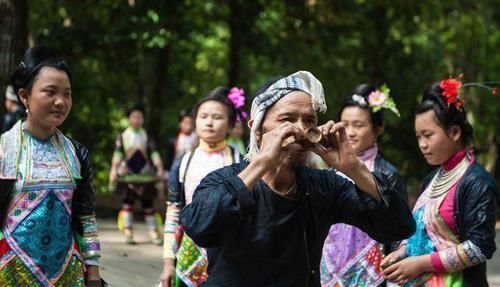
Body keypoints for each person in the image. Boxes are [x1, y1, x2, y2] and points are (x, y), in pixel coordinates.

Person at [180, 71, 416, 286]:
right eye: (287, 119)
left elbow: (398, 227)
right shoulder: (222, 180)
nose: (300, 129)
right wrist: (263, 162)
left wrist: (353, 167)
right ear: (257, 128)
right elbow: (200, 226)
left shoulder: (323, 186)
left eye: (309, 121)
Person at [0, 46, 103, 286]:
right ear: (24, 96)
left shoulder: (77, 153)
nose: (61, 101)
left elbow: (86, 216)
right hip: (10, 273)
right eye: (50, 92)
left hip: (66, 273)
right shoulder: (4, 150)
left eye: (67, 94)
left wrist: (94, 272)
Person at [381, 78, 499, 287]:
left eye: (428, 135)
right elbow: (423, 230)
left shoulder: (478, 182)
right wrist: (402, 252)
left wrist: (420, 264)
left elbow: (480, 247)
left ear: (455, 132)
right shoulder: (432, 179)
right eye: (418, 137)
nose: (422, 145)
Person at [320, 84, 408, 287]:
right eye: (345, 124)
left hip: (373, 275)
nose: (349, 132)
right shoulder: (330, 172)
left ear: (378, 129)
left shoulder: (388, 175)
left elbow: (399, 232)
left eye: (358, 125)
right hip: (327, 272)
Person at [160, 86, 244, 287]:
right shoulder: (183, 163)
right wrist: (168, 262)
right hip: (187, 256)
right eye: (203, 116)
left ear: (231, 124)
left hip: (228, 255)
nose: (209, 122)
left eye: (217, 117)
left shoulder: (240, 162)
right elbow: (173, 211)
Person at [109, 104, 164, 245]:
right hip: (128, 176)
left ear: (143, 119)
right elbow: (118, 153)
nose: (136, 119)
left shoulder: (147, 136)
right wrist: (114, 168)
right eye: (134, 116)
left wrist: (159, 167)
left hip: (145, 176)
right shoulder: (123, 136)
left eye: (139, 117)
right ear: (129, 119)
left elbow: (154, 152)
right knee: (128, 204)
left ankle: (153, 232)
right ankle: (128, 231)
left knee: (148, 205)